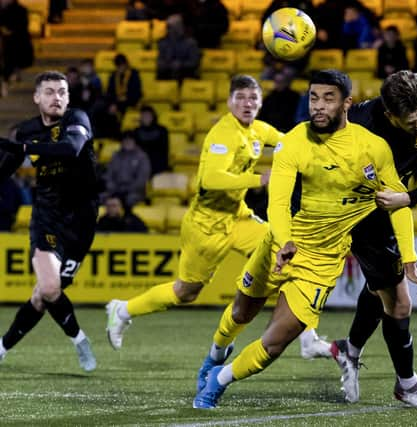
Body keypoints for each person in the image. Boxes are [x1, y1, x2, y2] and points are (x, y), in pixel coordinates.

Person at [192, 69, 417, 410]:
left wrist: (410, 261)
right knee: (241, 311)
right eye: (313, 98)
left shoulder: (374, 148)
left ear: (347, 104)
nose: (319, 106)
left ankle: (218, 379)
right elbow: (278, 202)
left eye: (328, 98)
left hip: (321, 261)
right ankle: (215, 354)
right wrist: (283, 242)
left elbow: (396, 203)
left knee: (275, 343)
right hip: (282, 244)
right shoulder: (294, 142)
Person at [104, 75, 330, 361]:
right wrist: (259, 178)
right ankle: (122, 310)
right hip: (206, 226)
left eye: (253, 98)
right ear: (229, 102)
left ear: (260, 103)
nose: (247, 103)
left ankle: (308, 338)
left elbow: (290, 142)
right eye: (240, 98)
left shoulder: (259, 130)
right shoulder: (223, 134)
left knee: (289, 256)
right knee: (186, 292)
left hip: (239, 219)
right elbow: (210, 179)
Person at [330, 70, 417, 407]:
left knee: (380, 287)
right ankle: (407, 386)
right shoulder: (358, 126)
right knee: (400, 301)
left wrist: (407, 198)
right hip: (358, 213)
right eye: (411, 121)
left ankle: (348, 349)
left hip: (391, 206)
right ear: (389, 115)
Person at [0, 71, 100, 371]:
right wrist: (17, 148)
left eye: (61, 92)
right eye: (49, 92)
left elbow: (70, 149)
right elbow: (4, 171)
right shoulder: (27, 131)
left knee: (42, 296)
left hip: (81, 221)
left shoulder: (77, 119)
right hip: (46, 217)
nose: (56, 97)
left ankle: (3, 344)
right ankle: (79, 339)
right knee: (49, 287)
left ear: (68, 97)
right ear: (36, 97)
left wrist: (25, 148)